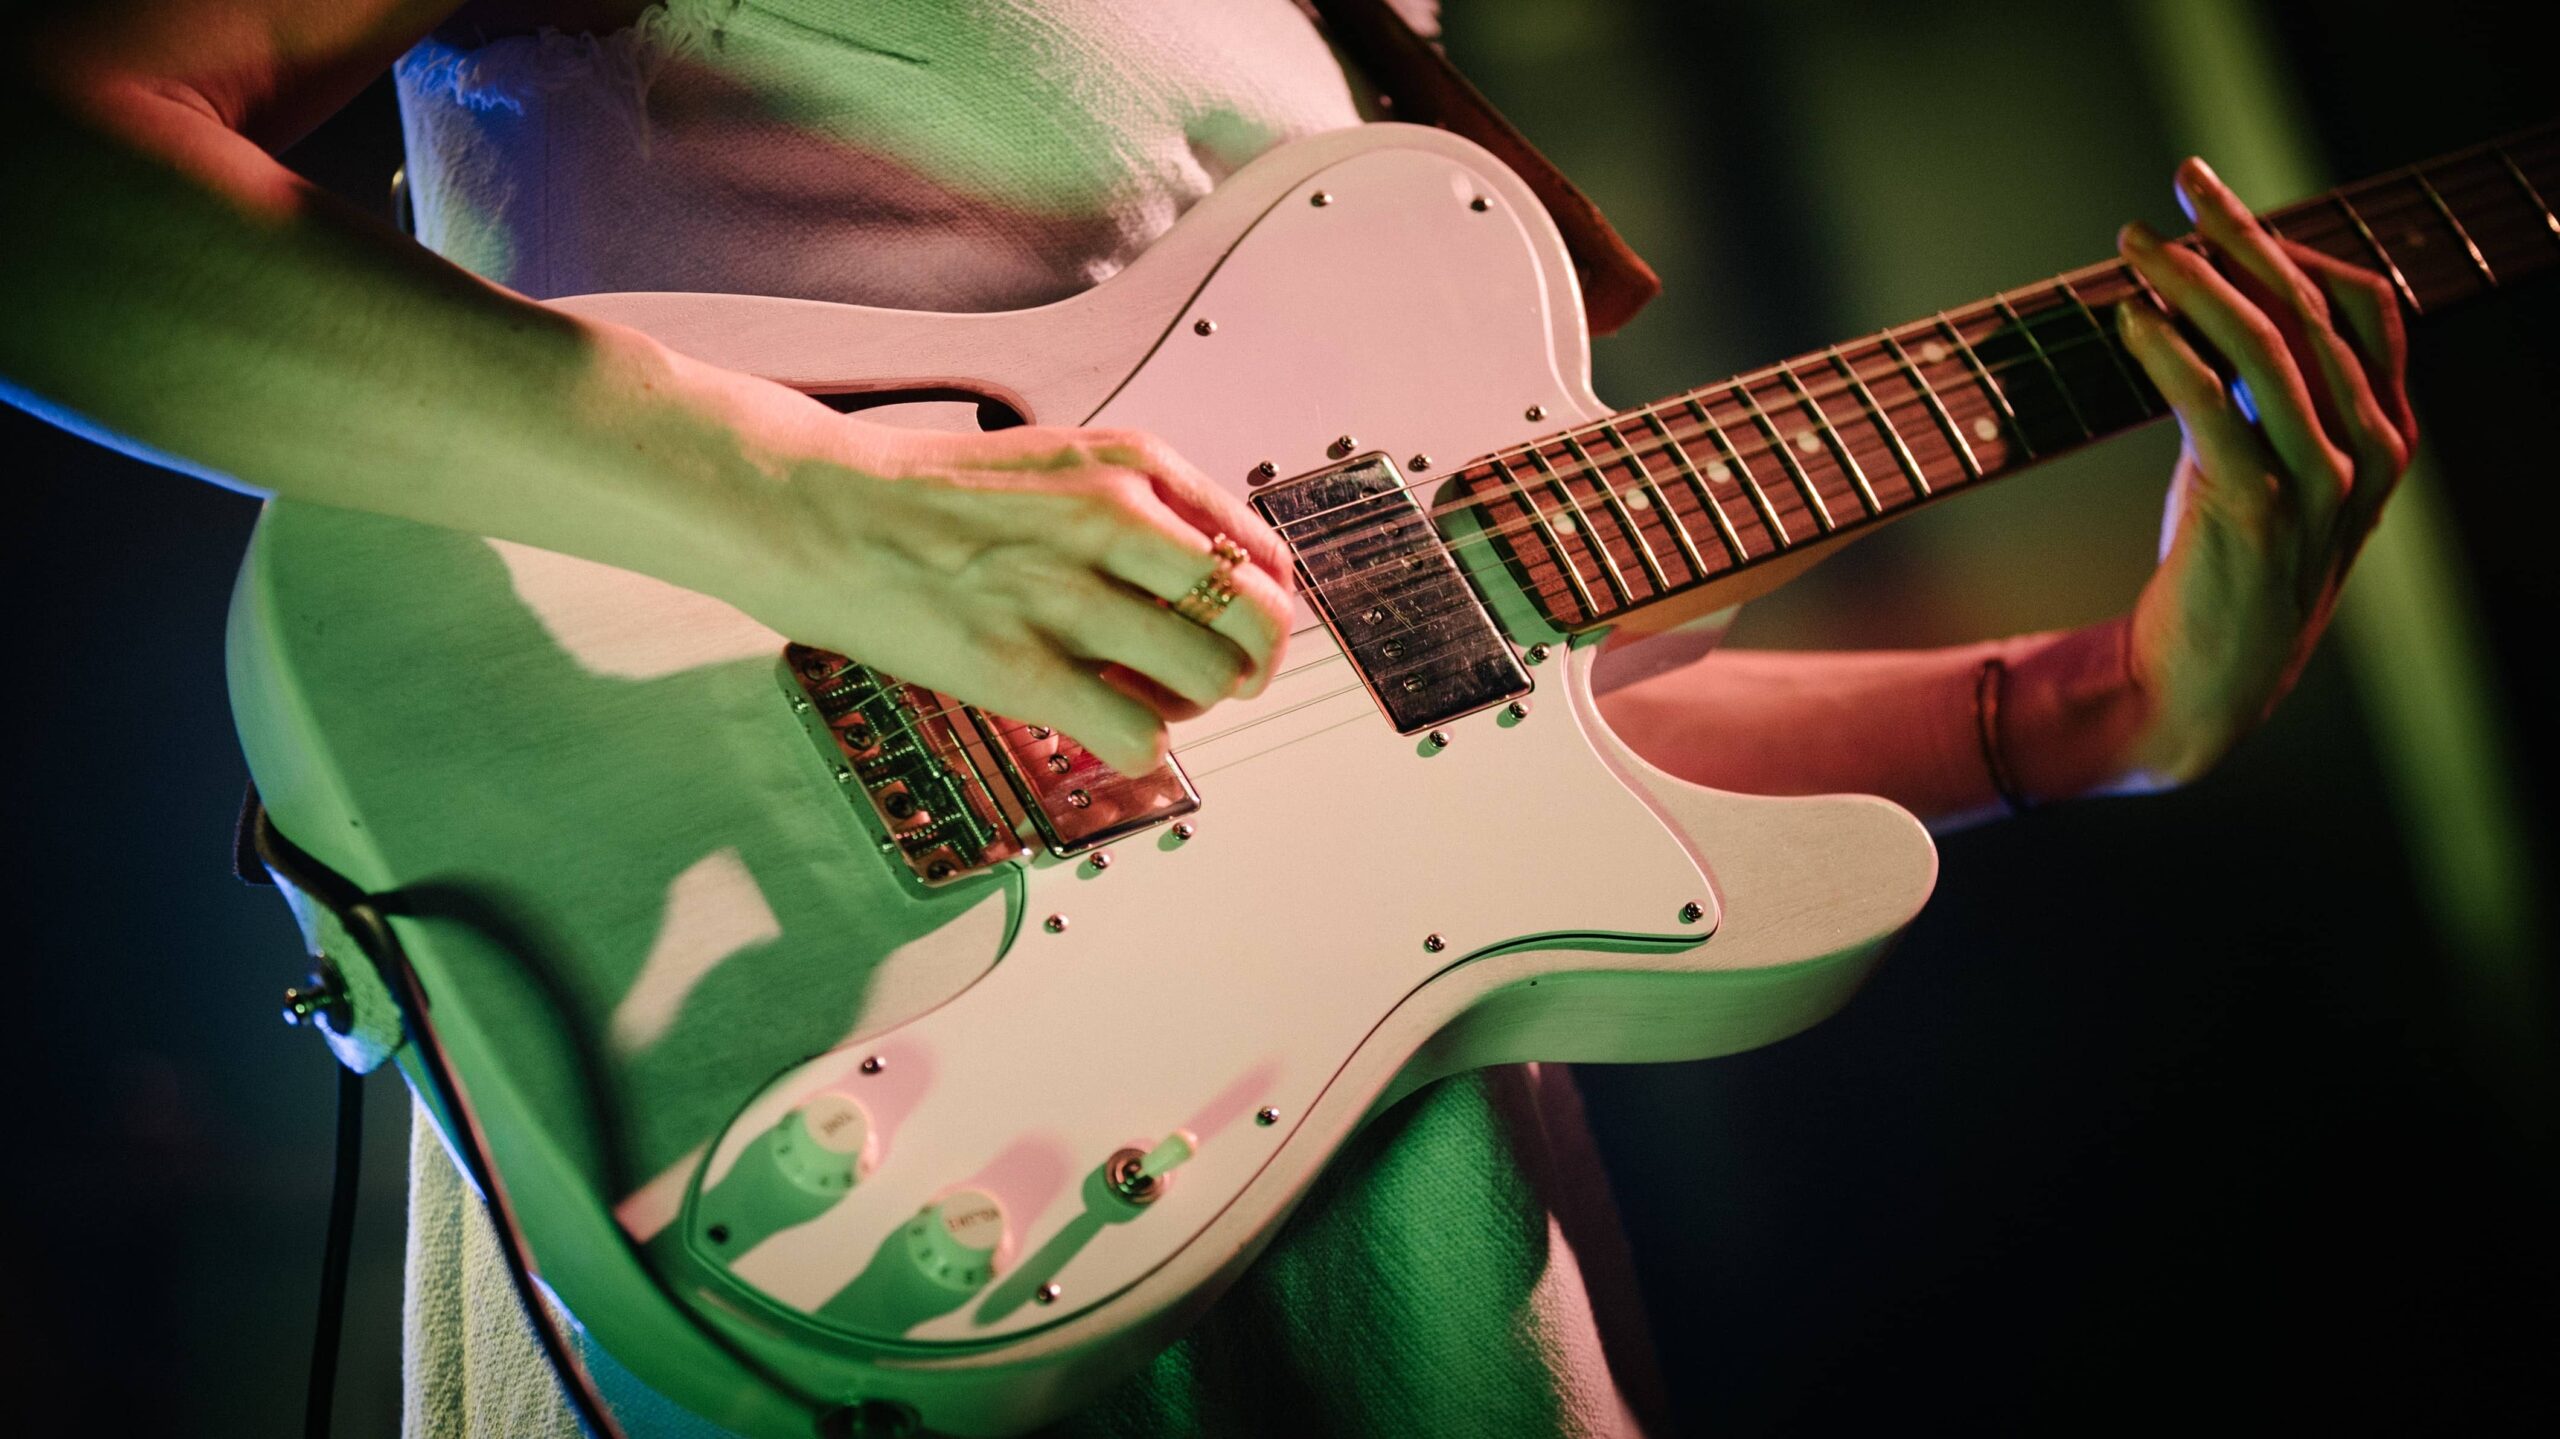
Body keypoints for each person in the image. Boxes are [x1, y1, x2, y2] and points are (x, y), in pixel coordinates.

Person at [0, 1, 2415, 1434]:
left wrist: (2093, 702)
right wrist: (810, 505)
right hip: (800, 1110)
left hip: (1394, 1263)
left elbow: (1429, 726)